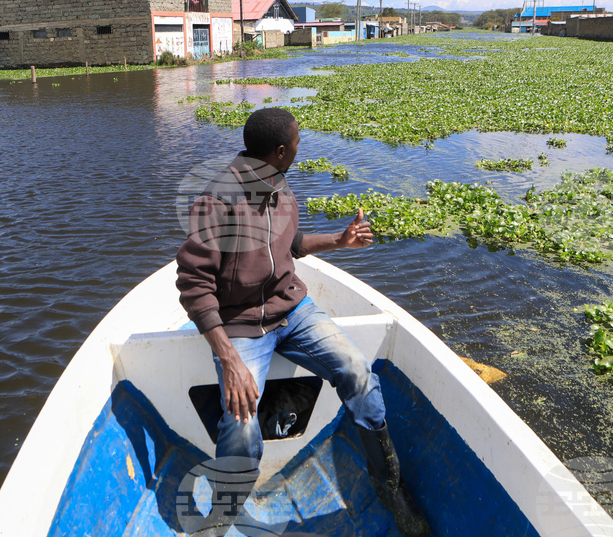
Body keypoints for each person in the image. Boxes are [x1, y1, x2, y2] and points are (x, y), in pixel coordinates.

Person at [176, 107, 429, 536]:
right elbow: (193, 284)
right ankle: (224, 515)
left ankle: (389, 486)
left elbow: (289, 243)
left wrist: (339, 240)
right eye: (295, 144)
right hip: (239, 325)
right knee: (239, 423)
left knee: (357, 371)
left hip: (291, 310)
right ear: (279, 151)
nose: (298, 148)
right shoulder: (217, 202)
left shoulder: (278, 183)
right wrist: (230, 360)